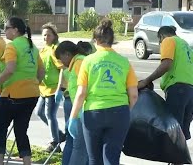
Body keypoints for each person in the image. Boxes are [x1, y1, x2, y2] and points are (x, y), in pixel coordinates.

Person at [68, 19, 138, 165]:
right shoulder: (124, 61)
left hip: (93, 114)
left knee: (94, 159)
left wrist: (73, 117)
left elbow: (81, 93)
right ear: (112, 40)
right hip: (119, 112)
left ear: (95, 40)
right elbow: (133, 95)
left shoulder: (88, 61)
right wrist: (126, 109)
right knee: (111, 158)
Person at [0, 17, 45, 165]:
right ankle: (27, 162)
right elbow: (41, 71)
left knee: (0, 129)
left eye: (7, 28)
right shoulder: (32, 47)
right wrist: (34, 82)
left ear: (16, 29)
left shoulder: (12, 47)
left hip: (13, 94)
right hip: (32, 94)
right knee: (21, 131)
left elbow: (10, 69)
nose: (5, 31)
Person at [138, 26, 193, 160]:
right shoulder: (186, 46)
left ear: (161, 37)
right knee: (181, 131)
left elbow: (166, 64)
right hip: (190, 90)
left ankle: (175, 160)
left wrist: (147, 80)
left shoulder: (168, 41)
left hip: (178, 88)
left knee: (173, 129)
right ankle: (178, 161)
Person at [55, 41, 92, 165]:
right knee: (79, 147)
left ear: (67, 54)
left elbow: (83, 90)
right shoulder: (76, 63)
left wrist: (76, 115)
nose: (61, 63)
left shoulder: (79, 63)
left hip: (84, 111)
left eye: (61, 59)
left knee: (80, 148)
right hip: (81, 110)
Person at [35, 22, 65, 152]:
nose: (45, 37)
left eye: (48, 35)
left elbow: (62, 69)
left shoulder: (55, 49)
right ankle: (60, 135)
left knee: (50, 114)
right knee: (39, 112)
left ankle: (55, 142)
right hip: (43, 88)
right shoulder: (43, 50)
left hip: (53, 89)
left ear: (54, 36)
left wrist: (59, 88)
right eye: (43, 35)